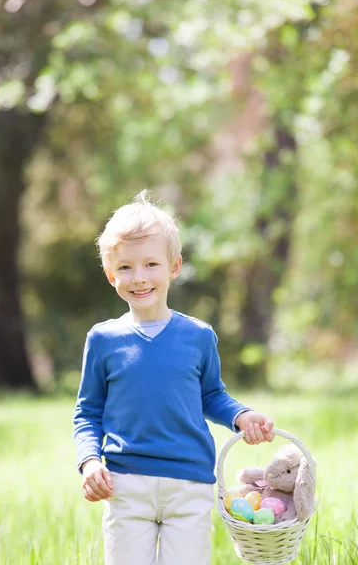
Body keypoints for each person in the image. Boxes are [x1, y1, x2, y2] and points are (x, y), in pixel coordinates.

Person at [73, 191, 275, 565]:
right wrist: (89, 462)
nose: (139, 278)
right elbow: (87, 413)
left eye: (151, 264)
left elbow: (211, 395)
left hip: (189, 483)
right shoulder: (102, 340)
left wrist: (241, 416)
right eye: (126, 268)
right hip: (125, 482)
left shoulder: (198, 336)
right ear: (110, 273)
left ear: (174, 266)